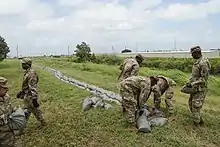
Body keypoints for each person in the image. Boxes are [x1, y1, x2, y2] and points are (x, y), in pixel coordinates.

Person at [17, 58, 46, 127]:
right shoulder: (27, 72)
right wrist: (22, 92)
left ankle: (42, 122)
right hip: (27, 95)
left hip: (30, 96)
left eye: (24, 64)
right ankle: (40, 122)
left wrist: (34, 99)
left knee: (33, 109)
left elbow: (33, 86)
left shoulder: (32, 74)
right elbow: (27, 85)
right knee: (29, 110)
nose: (22, 65)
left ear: (28, 65)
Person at [186, 46, 211, 126]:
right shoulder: (197, 62)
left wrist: (193, 83)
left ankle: (196, 124)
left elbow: (204, 79)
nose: (191, 56)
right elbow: (195, 76)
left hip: (200, 89)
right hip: (195, 88)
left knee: (196, 106)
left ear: (197, 53)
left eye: (192, 54)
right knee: (190, 103)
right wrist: (189, 81)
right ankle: (199, 120)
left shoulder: (203, 63)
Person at [0, 76, 15, 147]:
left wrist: (16, 112)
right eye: (4, 88)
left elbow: (10, 108)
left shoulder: (6, 97)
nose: (7, 89)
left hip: (8, 133)